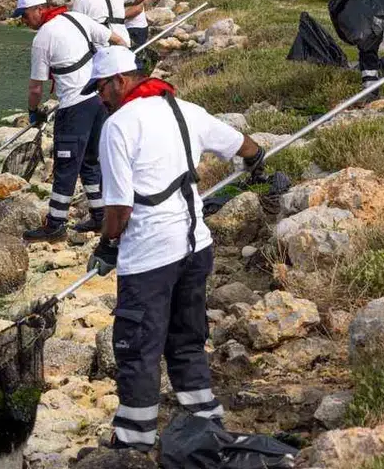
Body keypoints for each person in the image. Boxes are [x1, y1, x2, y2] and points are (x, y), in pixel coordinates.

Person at [81, 45, 266, 452]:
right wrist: (258, 164)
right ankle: (206, 426)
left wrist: (107, 244)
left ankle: (134, 439)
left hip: (149, 255)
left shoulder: (118, 126)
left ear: (120, 82)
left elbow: (119, 209)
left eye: (101, 89)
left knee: (138, 346)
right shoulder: (185, 109)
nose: (100, 98)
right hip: (196, 248)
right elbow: (245, 146)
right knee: (186, 339)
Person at [13, 0, 129, 241]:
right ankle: (100, 217)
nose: (23, 20)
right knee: (90, 161)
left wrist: (33, 112)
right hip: (100, 102)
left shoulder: (43, 38)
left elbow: (36, 87)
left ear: (39, 10)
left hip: (74, 108)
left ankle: (55, 224)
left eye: (24, 15)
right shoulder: (78, 18)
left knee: (66, 166)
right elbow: (118, 41)